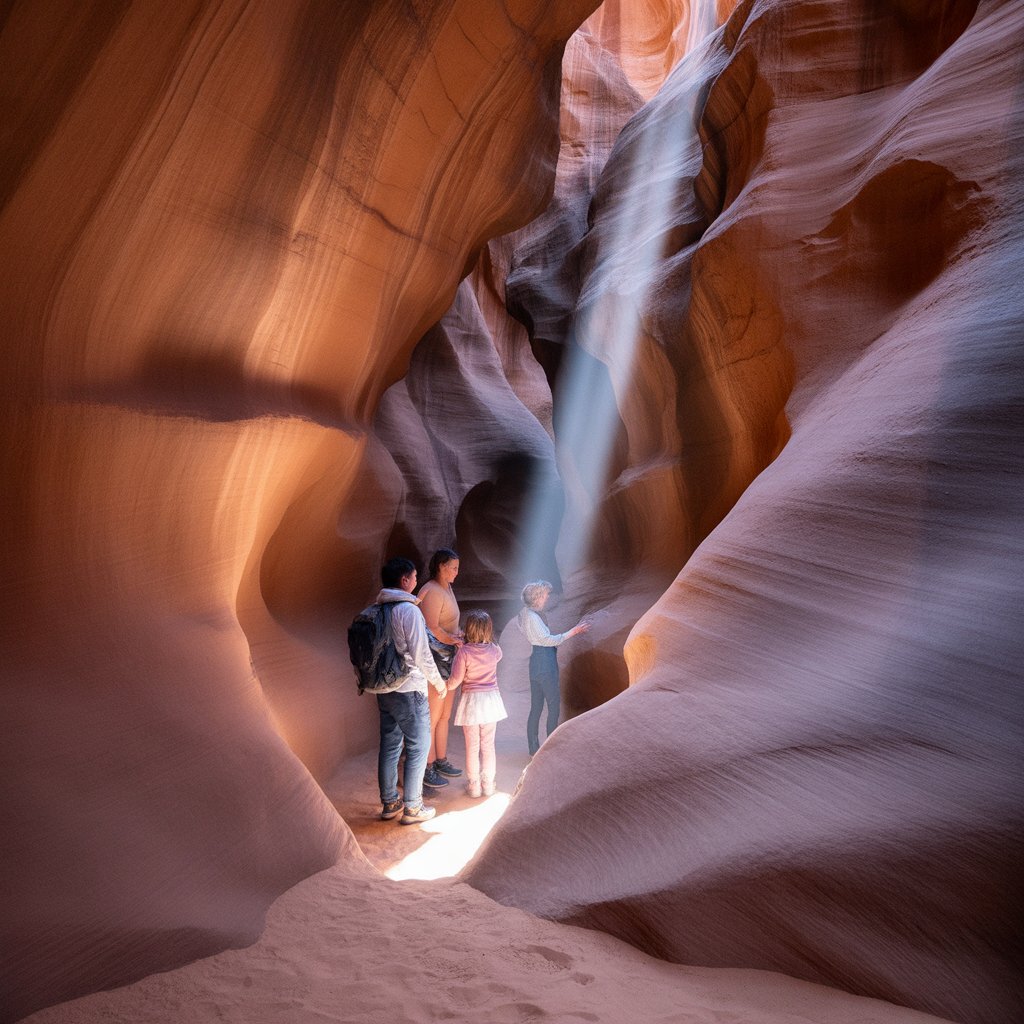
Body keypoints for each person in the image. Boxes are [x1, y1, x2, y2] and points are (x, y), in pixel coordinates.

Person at [374, 557, 447, 826]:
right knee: (418, 746)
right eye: (414, 577)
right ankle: (413, 808)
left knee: (390, 745)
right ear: (404, 580)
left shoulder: (378, 608)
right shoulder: (409, 611)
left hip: (384, 687)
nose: (417, 582)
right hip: (409, 688)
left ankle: (390, 802)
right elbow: (420, 653)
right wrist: (438, 683)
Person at [517, 580, 589, 756]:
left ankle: (534, 748)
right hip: (544, 660)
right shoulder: (533, 617)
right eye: (545, 595)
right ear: (538, 597)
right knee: (553, 705)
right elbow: (548, 640)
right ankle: (550, 748)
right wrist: (574, 631)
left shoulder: (525, 612)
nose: (548, 597)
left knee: (536, 707)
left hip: (536, 660)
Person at [417, 548, 464, 789]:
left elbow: (445, 626)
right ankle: (427, 766)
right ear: (441, 567)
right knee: (432, 716)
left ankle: (441, 759)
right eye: (453, 567)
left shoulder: (447, 588)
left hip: (449, 657)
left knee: (445, 715)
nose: (457, 571)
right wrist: (452, 639)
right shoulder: (431, 590)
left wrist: (456, 637)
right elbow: (431, 628)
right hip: (435, 660)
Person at [448, 610, 507, 798]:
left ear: (468, 629)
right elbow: (498, 654)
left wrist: (443, 686)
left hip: (471, 702)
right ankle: (488, 784)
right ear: (489, 629)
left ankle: (473, 786)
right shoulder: (495, 650)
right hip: (490, 700)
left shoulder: (464, 652)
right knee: (488, 745)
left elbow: (456, 680)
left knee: (472, 746)